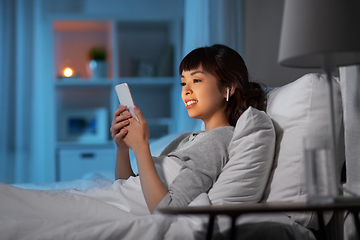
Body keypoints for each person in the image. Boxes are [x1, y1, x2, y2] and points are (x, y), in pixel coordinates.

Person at [110, 44, 265, 214]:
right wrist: (123, 149)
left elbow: (167, 210)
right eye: (183, 82)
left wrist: (141, 147)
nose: (186, 91)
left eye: (196, 80)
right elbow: (129, 188)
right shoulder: (188, 138)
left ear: (229, 87)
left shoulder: (217, 140)